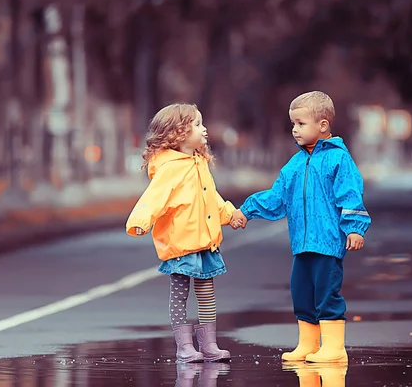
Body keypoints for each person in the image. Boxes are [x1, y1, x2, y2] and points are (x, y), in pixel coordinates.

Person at [232, 91, 371, 363]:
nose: (294, 129)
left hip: (329, 242)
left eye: (300, 123)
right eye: (293, 124)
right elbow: (277, 196)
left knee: (326, 293)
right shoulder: (294, 165)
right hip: (302, 243)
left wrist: (355, 228)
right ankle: (308, 344)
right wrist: (246, 211)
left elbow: (350, 194)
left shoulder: (338, 159)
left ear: (323, 125)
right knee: (301, 291)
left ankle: (334, 348)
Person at [126, 103, 246, 363]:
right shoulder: (170, 168)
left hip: (205, 242)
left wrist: (229, 213)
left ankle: (209, 345)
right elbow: (153, 198)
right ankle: (184, 346)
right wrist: (141, 221)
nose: (204, 130)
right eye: (198, 124)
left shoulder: (198, 162)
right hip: (181, 244)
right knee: (180, 294)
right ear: (178, 132)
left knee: (206, 294)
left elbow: (210, 196)